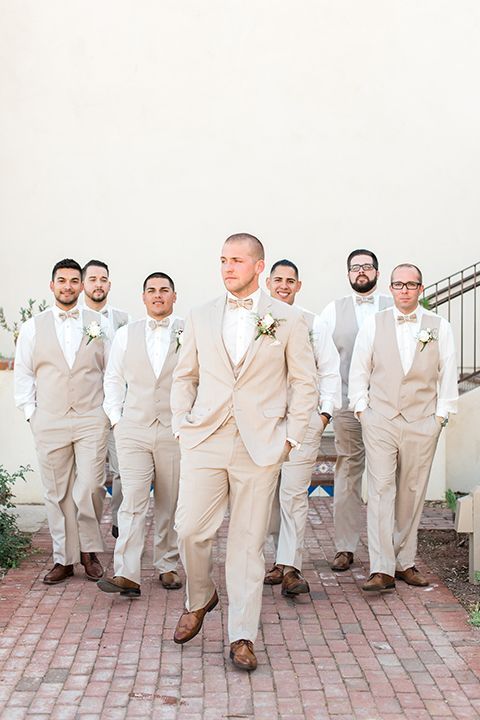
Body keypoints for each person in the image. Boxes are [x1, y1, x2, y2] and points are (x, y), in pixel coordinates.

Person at [171, 233, 318, 671]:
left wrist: (290, 438)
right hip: (205, 439)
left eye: (236, 260)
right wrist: (182, 425)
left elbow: (303, 382)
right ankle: (201, 596)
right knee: (189, 530)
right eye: (222, 260)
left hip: (261, 445)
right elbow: (185, 376)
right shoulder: (200, 315)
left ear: (258, 266)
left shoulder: (288, 320)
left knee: (248, 546)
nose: (227, 268)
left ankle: (242, 636)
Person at [349, 263, 458, 591]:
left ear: (421, 289)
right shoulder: (374, 323)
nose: (405, 290)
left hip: (422, 421)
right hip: (380, 418)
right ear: (391, 289)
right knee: (381, 492)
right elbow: (359, 368)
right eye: (399, 285)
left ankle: (404, 562)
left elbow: (447, 371)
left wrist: (440, 418)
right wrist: (361, 410)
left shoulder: (440, 326)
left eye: (411, 285)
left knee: (412, 492)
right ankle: (380, 568)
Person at [14, 258, 110, 584]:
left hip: (90, 417)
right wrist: (32, 414)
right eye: (62, 280)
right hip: (49, 419)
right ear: (52, 285)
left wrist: (108, 412)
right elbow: (24, 373)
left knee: (91, 487)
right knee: (56, 492)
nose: (68, 286)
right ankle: (64, 558)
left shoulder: (98, 322)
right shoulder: (32, 327)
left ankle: (88, 551)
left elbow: (112, 372)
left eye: (73, 281)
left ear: (81, 286)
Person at [98, 272, 184, 597]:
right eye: (152, 290)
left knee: (169, 501)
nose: (158, 295)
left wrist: (188, 423)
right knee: (131, 501)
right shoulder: (126, 335)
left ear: (174, 296)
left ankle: (167, 565)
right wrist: (117, 420)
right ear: (143, 297)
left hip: (173, 431)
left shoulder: (187, 333)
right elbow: (113, 379)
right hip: (133, 429)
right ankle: (127, 573)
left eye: (164, 290)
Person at [263, 259, 341, 595]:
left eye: (290, 280)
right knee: (266, 497)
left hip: (303, 421)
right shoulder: (256, 321)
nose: (283, 285)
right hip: (263, 424)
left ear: (298, 285)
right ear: (267, 283)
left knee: (294, 494)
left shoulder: (314, 323)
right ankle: (279, 559)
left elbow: (329, 370)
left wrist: (324, 415)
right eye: (278, 279)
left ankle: (292, 567)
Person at [320, 249, 392, 572]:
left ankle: (390, 550)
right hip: (349, 405)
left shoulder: (394, 307)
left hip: (388, 407)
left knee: (386, 478)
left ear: (377, 272)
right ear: (348, 274)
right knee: (348, 473)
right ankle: (345, 547)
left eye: (367, 266)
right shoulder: (333, 312)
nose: (361, 272)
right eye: (355, 267)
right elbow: (323, 358)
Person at [81, 259, 131, 539]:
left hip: (118, 409)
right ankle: (88, 534)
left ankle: (120, 522)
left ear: (109, 284)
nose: (98, 284)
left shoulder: (123, 320)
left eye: (103, 279)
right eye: (93, 279)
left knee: (124, 469)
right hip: (86, 410)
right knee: (91, 479)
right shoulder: (74, 319)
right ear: (84, 284)